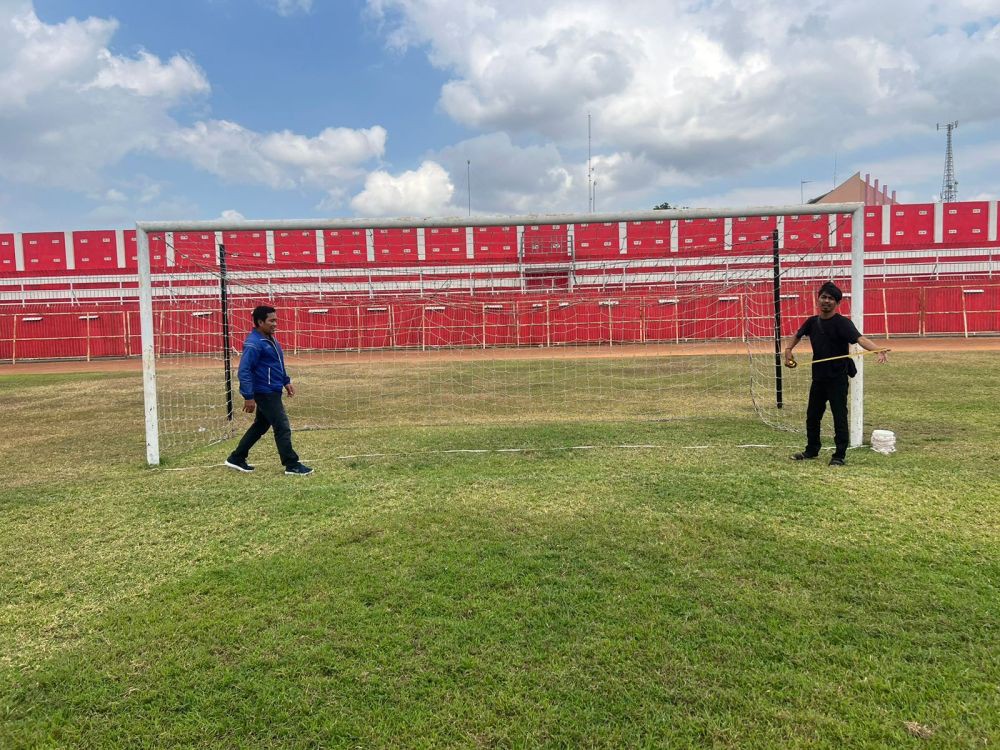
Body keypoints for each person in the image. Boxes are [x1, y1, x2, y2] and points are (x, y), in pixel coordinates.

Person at [784, 281, 888, 466]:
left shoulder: (842, 323)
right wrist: (788, 349)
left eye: (831, 298)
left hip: (837, 377)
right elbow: (798, 335)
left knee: (839, 415)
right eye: (823, 297)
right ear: (818, 299)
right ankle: (811, 450)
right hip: (818, 378)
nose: (826, 301)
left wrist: (877, 350)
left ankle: (839, 455)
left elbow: (860, 339)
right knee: (813, 415)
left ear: (837, 303)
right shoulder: (812, 322)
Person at [225, 305, 313, 475]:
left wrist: (286, 381)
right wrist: (248, 396)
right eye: (271, 321)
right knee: (282, 426)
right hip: (264, 392)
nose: (275, 324)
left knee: (260, 426)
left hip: (273, 389)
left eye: (276, 320)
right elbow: (244, 370)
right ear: (260, 322)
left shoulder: (270, 339)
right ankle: (292, 464)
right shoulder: (254, 344)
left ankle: (236, 458)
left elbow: (276, 363)